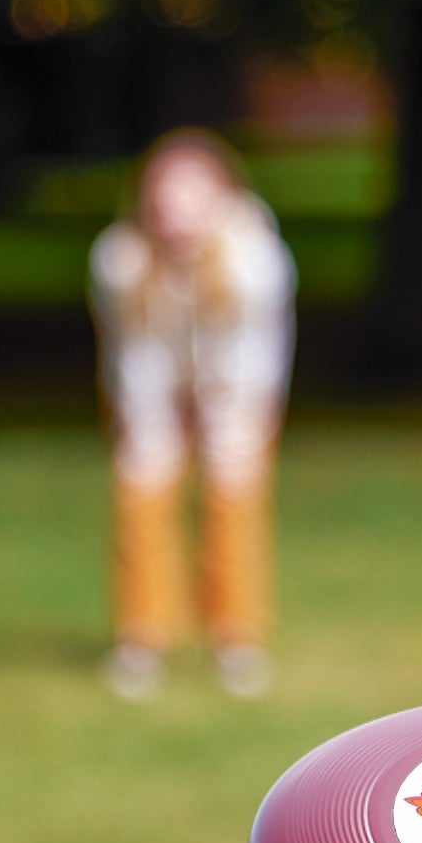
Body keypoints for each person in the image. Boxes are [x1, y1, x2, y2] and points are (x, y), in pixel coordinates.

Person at [89, 129, 296, 700]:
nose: (176, 214)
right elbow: (133, 353)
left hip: (236, 390)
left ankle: (235, 639)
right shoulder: (120, 260)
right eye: (165, 198)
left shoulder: (255, 259)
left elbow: (253, 353)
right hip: (152, 388)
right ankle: (141, 638)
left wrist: (222, 414)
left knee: (234, 496)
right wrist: (154, 420)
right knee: (141, 490)